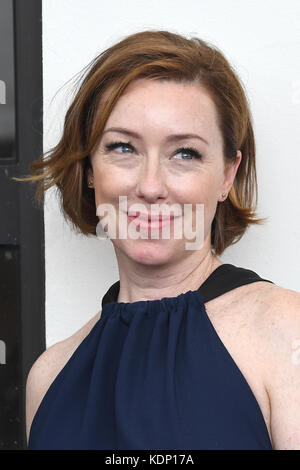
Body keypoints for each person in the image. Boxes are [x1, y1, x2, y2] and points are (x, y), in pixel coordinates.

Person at [14, 29, 300, 450]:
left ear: (226, 175)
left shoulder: (287, 331)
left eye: (185, 153)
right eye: (123, 147)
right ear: (90, 168)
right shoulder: (48, 375)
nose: (150, 186)